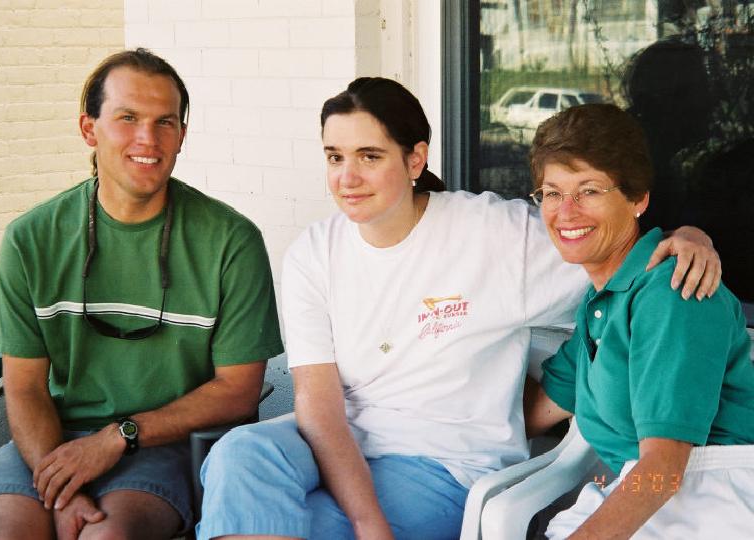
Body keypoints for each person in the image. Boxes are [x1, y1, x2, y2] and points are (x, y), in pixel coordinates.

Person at [196, 78, 720, 540]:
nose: (347, 177)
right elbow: (320, 408)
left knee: (276, 524)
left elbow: (617, 248)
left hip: (445, 463)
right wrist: (368, 521)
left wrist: (689, 238)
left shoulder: (501, 240)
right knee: (238, 454)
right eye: (335, 156)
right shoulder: (315, 251)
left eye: (370, 155)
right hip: (340, 442)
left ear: (415, 159)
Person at [0, 48, 283, 540]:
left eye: (165, 122)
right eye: (127, 118)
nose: (147, 140)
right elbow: (25, 386)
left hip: (164, 443)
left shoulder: (229, 240)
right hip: (50, 442)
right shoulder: (32, 238)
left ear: (182, 134)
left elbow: (238, 391)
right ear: (89, 128)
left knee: (106, 536)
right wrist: (64, 487)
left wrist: (119, 437)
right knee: (11, 531)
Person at [523, 103, 754, 538]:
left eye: (589, 190)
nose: (566, 211)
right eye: (552, 193)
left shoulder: (672, 292)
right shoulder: (600, 302)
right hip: (654, 500)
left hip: (713, 501)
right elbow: (535, 412)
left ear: (638, 199)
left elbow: (664, 471)